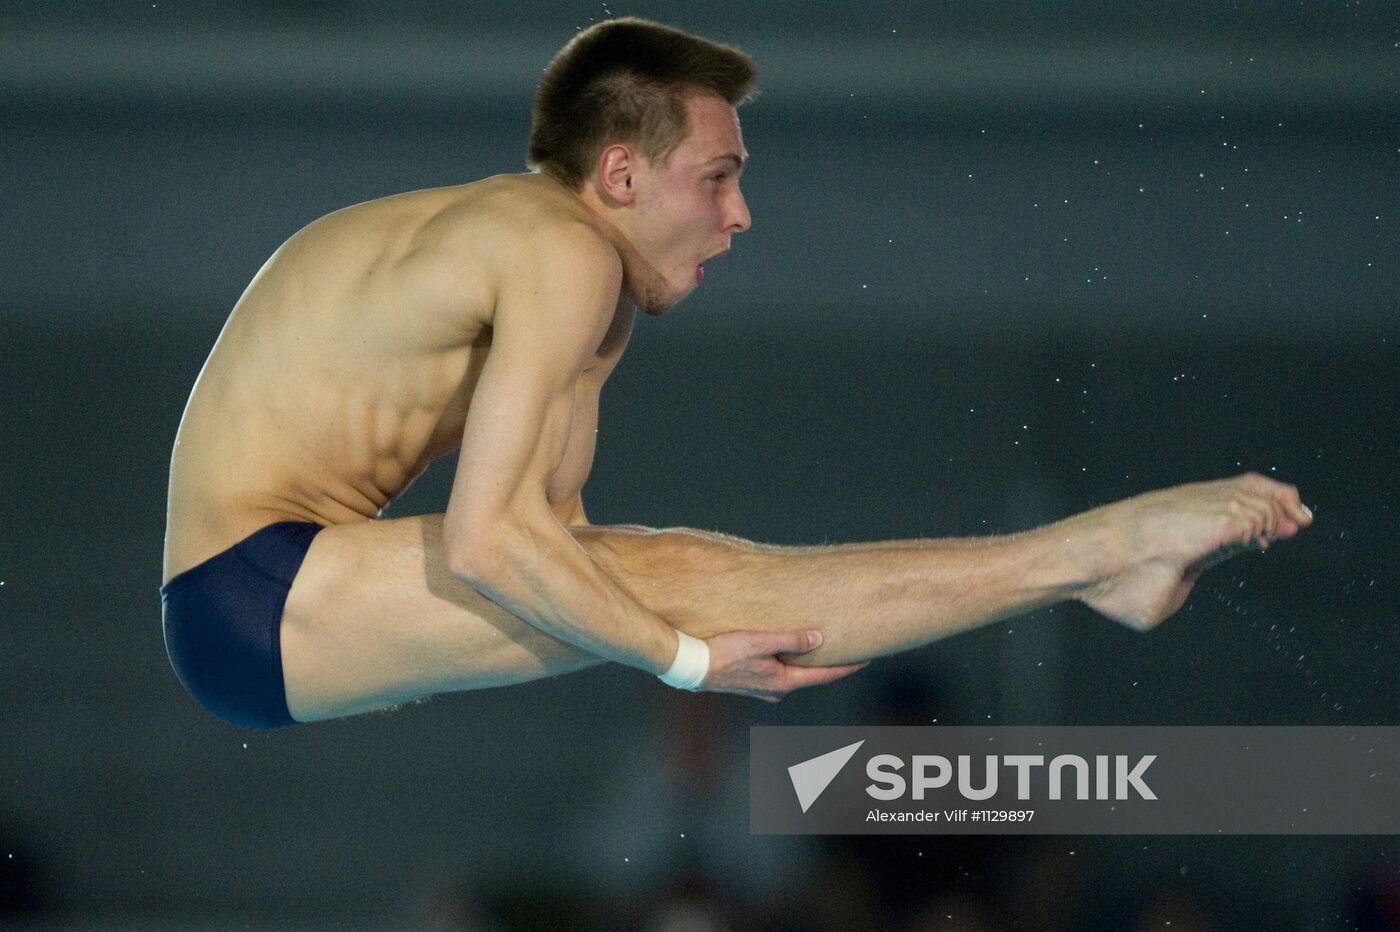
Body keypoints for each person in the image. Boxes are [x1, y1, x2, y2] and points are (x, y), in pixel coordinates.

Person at [159, 17, 1313, 730]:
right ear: (618, 175)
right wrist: (685, 660)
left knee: (665, 568)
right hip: (253, 594)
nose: (739, 214)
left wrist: (679, 619)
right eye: (715, 177)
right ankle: (1096, 553)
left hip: (259, 593)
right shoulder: (555, 250)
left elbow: (550, 535)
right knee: (667, 589)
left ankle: (1089, 565)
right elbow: (488, 544)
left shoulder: (540, 262)